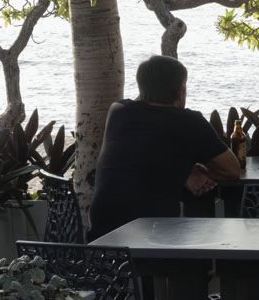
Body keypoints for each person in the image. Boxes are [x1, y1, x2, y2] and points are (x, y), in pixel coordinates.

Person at [89, 54, 241, 237]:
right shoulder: (190, 122)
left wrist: (184, 172)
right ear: (181, 91)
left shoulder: (118, 112)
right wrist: (188, 173)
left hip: (103, 242)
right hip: (154, 241)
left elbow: (144, 155)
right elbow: (232, 170)